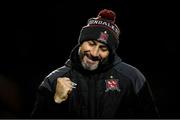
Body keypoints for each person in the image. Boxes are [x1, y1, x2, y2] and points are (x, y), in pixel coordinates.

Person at [31, 9, 159, 118]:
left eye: (103, 49)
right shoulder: (53, 80)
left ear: (111, 52)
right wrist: (57, 100)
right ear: (81, 43)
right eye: (91, 44)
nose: (94, 53)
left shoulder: (133, 78)